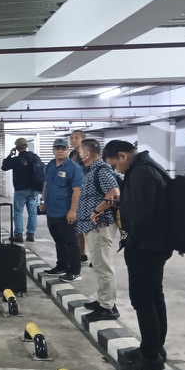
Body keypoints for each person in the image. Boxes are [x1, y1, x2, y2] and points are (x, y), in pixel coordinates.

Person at [103, 140, 171, 370]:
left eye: (114, 165)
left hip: (146, 246)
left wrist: (131, 242)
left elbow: (143, 214)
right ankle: (153, 348)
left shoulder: (141, 172)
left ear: (122, 156)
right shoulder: (150, 166)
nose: (116, 170)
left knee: (143, 300)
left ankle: (151, 358)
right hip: (156, 244)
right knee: (154, 296)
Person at [76, 138, 121, 321]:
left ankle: (108, 307)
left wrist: (96, 210)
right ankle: (104, 300)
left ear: (87, 153)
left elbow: (114, 193)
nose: (78, 154)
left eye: (80, 151)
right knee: (99, 265)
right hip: (93, 227)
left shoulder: (101, 170)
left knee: (103, 266)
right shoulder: (92, 171)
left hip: (101, 226)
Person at [40, 138, 84, 282]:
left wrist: (73, 211)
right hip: (51, 211)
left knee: (71, 242)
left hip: (65, 212)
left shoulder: (73, 168)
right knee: (58, 240)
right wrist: (43, 201)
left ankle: (75, 271)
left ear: (67, 150)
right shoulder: (50, 166)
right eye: (57, 148)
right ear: (53, 150)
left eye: (63, 148)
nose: (60, 151)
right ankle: (61, 266)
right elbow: (46, 184)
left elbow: (77, 191)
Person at [1, 138, 43, 242]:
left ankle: (18, 234)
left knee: (18, 212)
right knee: (32, 212)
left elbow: (4, 167)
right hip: (34, 190)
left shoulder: (16, 160)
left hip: (20, 190)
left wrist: (10, 155)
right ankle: (30, 234)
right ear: (26, 146)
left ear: (16, 148)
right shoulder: (35, 157)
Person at [68, 130, 89, 265]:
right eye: (71, 138)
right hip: (76, 192)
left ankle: (94, 255)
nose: (73, 140)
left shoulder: (87, 154)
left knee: (90, 226)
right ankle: (81, 253)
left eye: (76, 138)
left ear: (83, 139)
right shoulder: (72, 155)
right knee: (78, 225)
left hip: (87, 192)